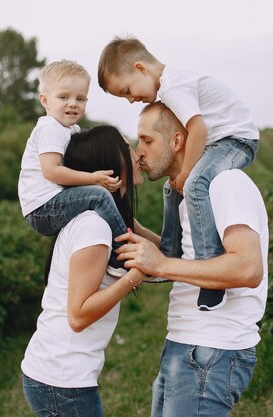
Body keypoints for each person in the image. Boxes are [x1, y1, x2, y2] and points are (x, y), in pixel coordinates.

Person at [116, 102, 269, 417]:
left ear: (176, 141)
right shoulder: (188, 197)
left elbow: (248, 267)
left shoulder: (224, 183)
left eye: (146, 140)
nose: (139, 151)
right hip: (187, 345)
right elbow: (188, 261)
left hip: (212, 350)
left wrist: (160, 265)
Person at [98, 36, 260, 309]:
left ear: (140, 69)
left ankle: (209, 273)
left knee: (195, 183)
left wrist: (186, 173)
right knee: (170, 188)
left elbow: (197, 129)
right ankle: (170, 253)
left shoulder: (174, 87)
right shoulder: (171, 87)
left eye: (127, 90)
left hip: (237, 140)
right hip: (221, 140)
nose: (129, 99)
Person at [21, 125, 147, 417]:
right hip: (61, 380)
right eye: (128, 147)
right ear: (109, 162)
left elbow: (161, 256)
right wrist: (132, 277)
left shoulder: (110, 219)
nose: (137, 153)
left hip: (61, 375)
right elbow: (78, 316)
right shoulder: (94, 226)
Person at [18, 60, 128, 277]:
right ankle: (122, 255)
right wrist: (93, 178)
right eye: (63, 97)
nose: (73, 104)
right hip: (43, 208)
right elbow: (51, 172)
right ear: (45, 100)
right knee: (99, 196)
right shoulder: (50, 128)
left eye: (80, 99)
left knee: (98, 197)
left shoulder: (70, 129)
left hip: (51, 203)